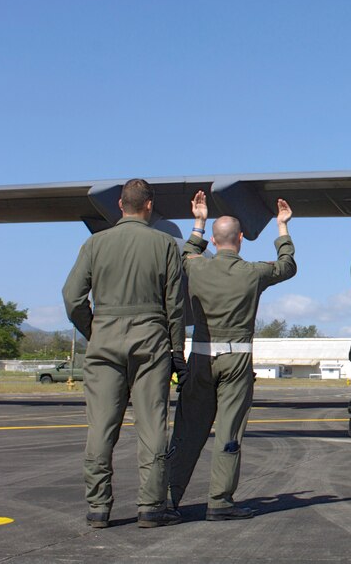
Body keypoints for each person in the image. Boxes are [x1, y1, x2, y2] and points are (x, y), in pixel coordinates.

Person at [62, 178, 186, 529]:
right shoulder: (165, 245)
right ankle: (151, 506)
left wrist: (95, 329)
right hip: (151, 342)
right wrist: (177, 350)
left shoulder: (95, 244)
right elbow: (174, 305)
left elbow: (72, 298)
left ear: (120, 205)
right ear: (149, 206)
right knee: (151, 426)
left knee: (101, 428)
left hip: (104, 343)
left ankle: (98, 507)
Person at [166, 191, 296, 521]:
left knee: (188, 431)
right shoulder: (252, 272)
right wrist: (282, 228)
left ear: (213, 238)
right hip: (236, 360)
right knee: (229, 431)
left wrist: (198, 220)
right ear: (240, 239)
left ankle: (167, 497)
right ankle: (220, 501)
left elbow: (186, 253)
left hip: (199, 357)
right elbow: (287, 266)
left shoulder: (196, 268)